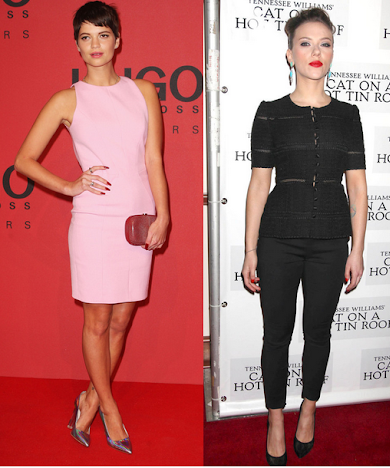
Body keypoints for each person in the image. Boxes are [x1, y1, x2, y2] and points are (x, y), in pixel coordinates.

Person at [14, 1, 169, 455]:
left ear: (117, 41)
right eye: (86, 37)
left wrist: (164, 214)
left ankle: (88, 398)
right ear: (77, 46)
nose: (95, 44)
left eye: (103, 35)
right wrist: (69, 186)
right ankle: (108, 407)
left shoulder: (143, 91)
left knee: (122, 320)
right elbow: (24, 160)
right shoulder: (68, 99)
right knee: (98, 321)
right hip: (95, 222)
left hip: (137, 221)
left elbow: (153, 159)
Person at [241, 7, 367, 466]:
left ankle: (308, 409)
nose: (316, 52)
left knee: (318, 332)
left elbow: (358, 188)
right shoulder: (270, 113)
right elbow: (259, 184)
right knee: (276, 334)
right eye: (306, 43)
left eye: (325, 43)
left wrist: (357, 249)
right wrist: (250, 249)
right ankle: (275, 417)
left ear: (333, 52)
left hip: (332, 240)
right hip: (277, 238)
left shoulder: (348, 115)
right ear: (290, 53)